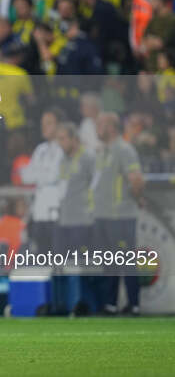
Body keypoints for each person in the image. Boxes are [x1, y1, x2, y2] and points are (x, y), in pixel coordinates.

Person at [92, 112, 145, 316]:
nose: (97, 128)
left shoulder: (124, 149)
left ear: (112, 127)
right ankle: (111, 304)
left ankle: (134, 304)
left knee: (126, 261)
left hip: (120, 215)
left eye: (101, 124)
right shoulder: (103, 151)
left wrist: (134, 198)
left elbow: (136, 179)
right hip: (103, 215)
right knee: (109, 261)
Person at [54, 122, 97, 314]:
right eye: (59, 139)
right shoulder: (63, 160)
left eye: (63, 138)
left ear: (74, 139)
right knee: (63, 265)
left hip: (82, 220)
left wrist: (91, 211)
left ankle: (87, 304)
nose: (60, 143)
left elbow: (96, 185)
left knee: (84, 265)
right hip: (64, 220)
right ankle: (65, 304)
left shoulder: (87, 158)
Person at [21, 109, 65, 254]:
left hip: (57, 210)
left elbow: (54, 176)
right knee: (42, 256)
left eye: (49, 123)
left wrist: (39, 174)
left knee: (59, 256)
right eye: (43, 124)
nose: (44, 127)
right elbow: (25, 176)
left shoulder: (64, 148)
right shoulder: (40, 149)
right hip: (39, 211)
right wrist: (43, 174)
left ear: (60, 125)